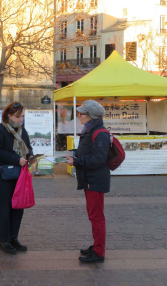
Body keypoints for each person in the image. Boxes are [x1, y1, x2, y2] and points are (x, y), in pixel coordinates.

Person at [65, 100, 110, 263]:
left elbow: (98, 158)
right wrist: (76, 154)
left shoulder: (99, 132)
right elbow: (90, 151)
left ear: (90, 116)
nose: (79, 116)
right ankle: (97, 246)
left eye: (82, 113)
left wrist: (76, 161)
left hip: (95, 180)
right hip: (91, 179)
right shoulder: (92, 129)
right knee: (94, 215)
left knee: (96, 216)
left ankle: (99, 252)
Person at [0, 102, 33, 255]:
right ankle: (3, 240)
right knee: (4, 207)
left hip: (20, 174)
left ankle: (13, 237)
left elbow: (27, 148)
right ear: (9, 115)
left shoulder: (23, 131)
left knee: (18, 207)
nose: (21, 119)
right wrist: (16, 159)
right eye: (18, 117)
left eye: (22, 116)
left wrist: (31, 157)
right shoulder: (0, 130)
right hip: (3, 175)